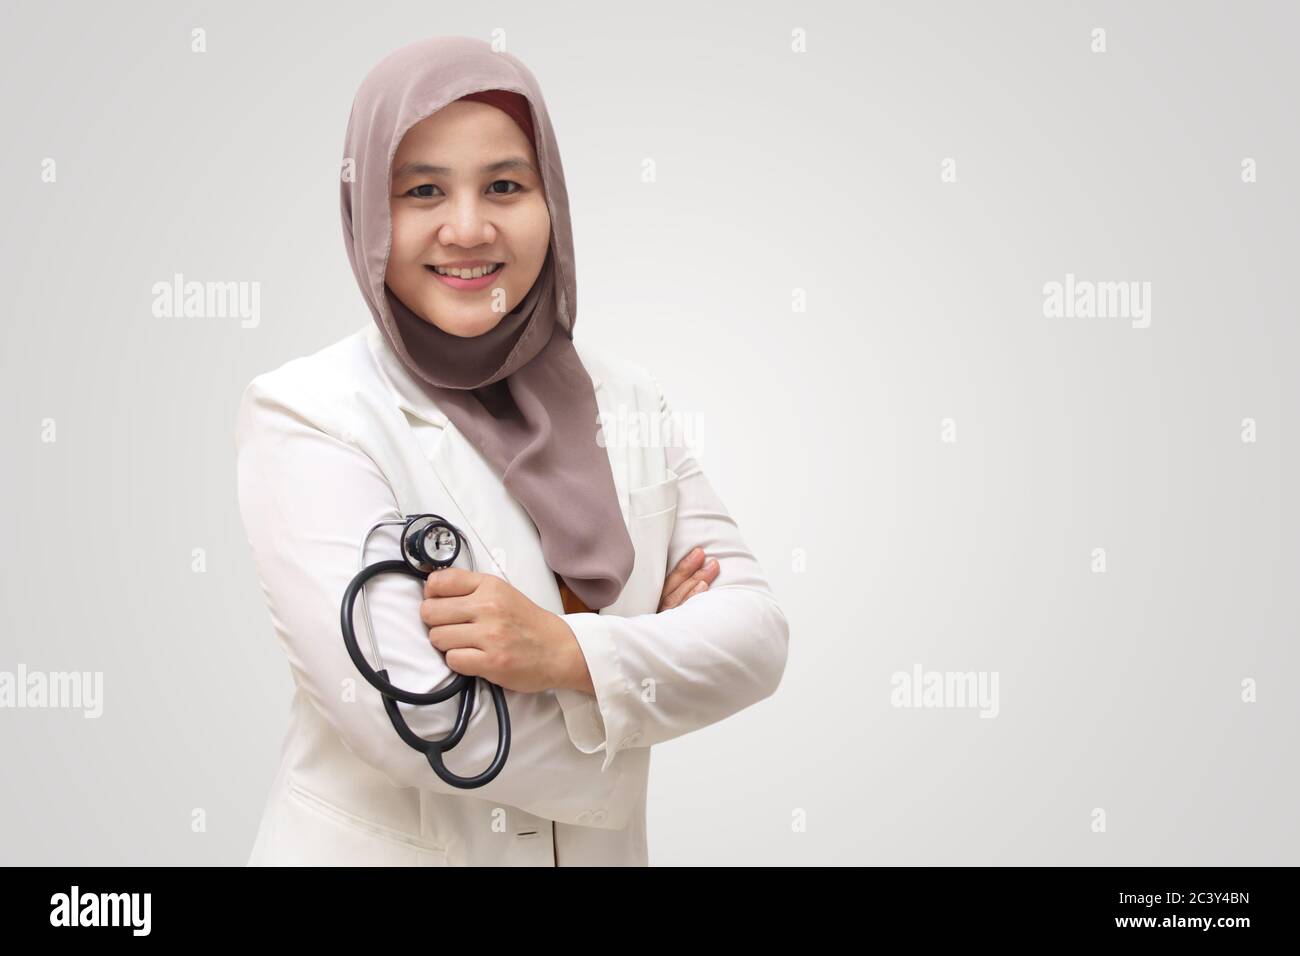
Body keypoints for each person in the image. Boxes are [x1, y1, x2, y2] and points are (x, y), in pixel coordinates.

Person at [234, 35, 789, 866]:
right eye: (422, 190)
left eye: (505, 185)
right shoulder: (310, 414)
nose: (468, 227)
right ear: (371, 217)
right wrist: (652, 673)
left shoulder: (626, 400)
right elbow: (420, 721)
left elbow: (755, 637)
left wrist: (562, 651)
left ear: (551, 200)